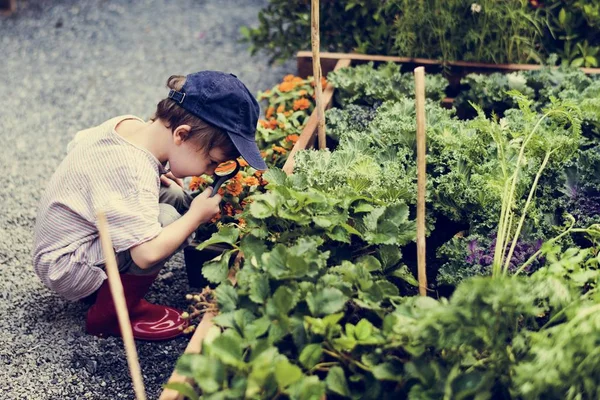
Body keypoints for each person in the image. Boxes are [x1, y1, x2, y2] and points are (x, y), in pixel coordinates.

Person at [32, 71, 267, 341]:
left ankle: (111, 289)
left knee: (175, 197)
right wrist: (195, 217)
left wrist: (151, 176)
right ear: (181, 134)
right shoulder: (133, 171)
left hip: (64, 244)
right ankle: (109, 316)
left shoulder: (130, 125)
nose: (209, 171)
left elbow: (78, 141)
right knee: (168, 219)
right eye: (212, 162)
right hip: (67, 266)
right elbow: (147, 254)